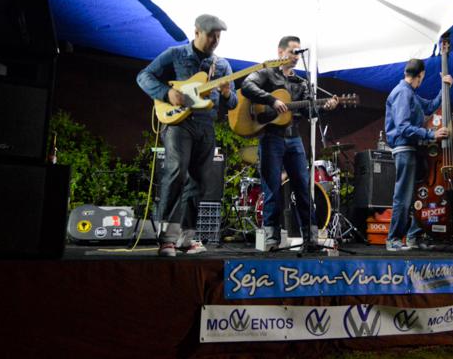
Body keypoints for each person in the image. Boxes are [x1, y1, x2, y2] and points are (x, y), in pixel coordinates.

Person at [137, 14, 237, 257]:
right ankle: (167, 238)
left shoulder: (222, 66)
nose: (215, 39)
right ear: (197, 32)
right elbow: (144, 76)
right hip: (179, 124)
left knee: (199, 181)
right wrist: (166, 93)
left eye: (218, 35)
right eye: (211, 34)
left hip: (206, 126)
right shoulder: (176, 54)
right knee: (176, 172)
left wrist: (225, 94)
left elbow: (233, 102)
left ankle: (187, 238)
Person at [241, 36, 338, 251]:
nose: (296, 56)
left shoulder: (300, 84)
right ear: (280, 51)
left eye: (298, 53)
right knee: (272, 188)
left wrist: (324, 107)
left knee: (303, 187)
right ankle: (272, 239)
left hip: (294, 138)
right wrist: (271, 100)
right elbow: (247, 85)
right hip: (270, 137)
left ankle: (311, 238)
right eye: (293, 51)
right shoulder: (266, 73)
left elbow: (307, 111)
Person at [384, 58, 452, 251]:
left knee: (421, 195)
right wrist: (432, 134)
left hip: (413, 148)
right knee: (403, 196)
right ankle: (394, 239)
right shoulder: (402, 94)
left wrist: (444, 88)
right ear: (421, 75)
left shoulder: (410, 93)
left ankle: (413, 236)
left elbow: (430, 107)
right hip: (404, 148)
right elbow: (403, 127)